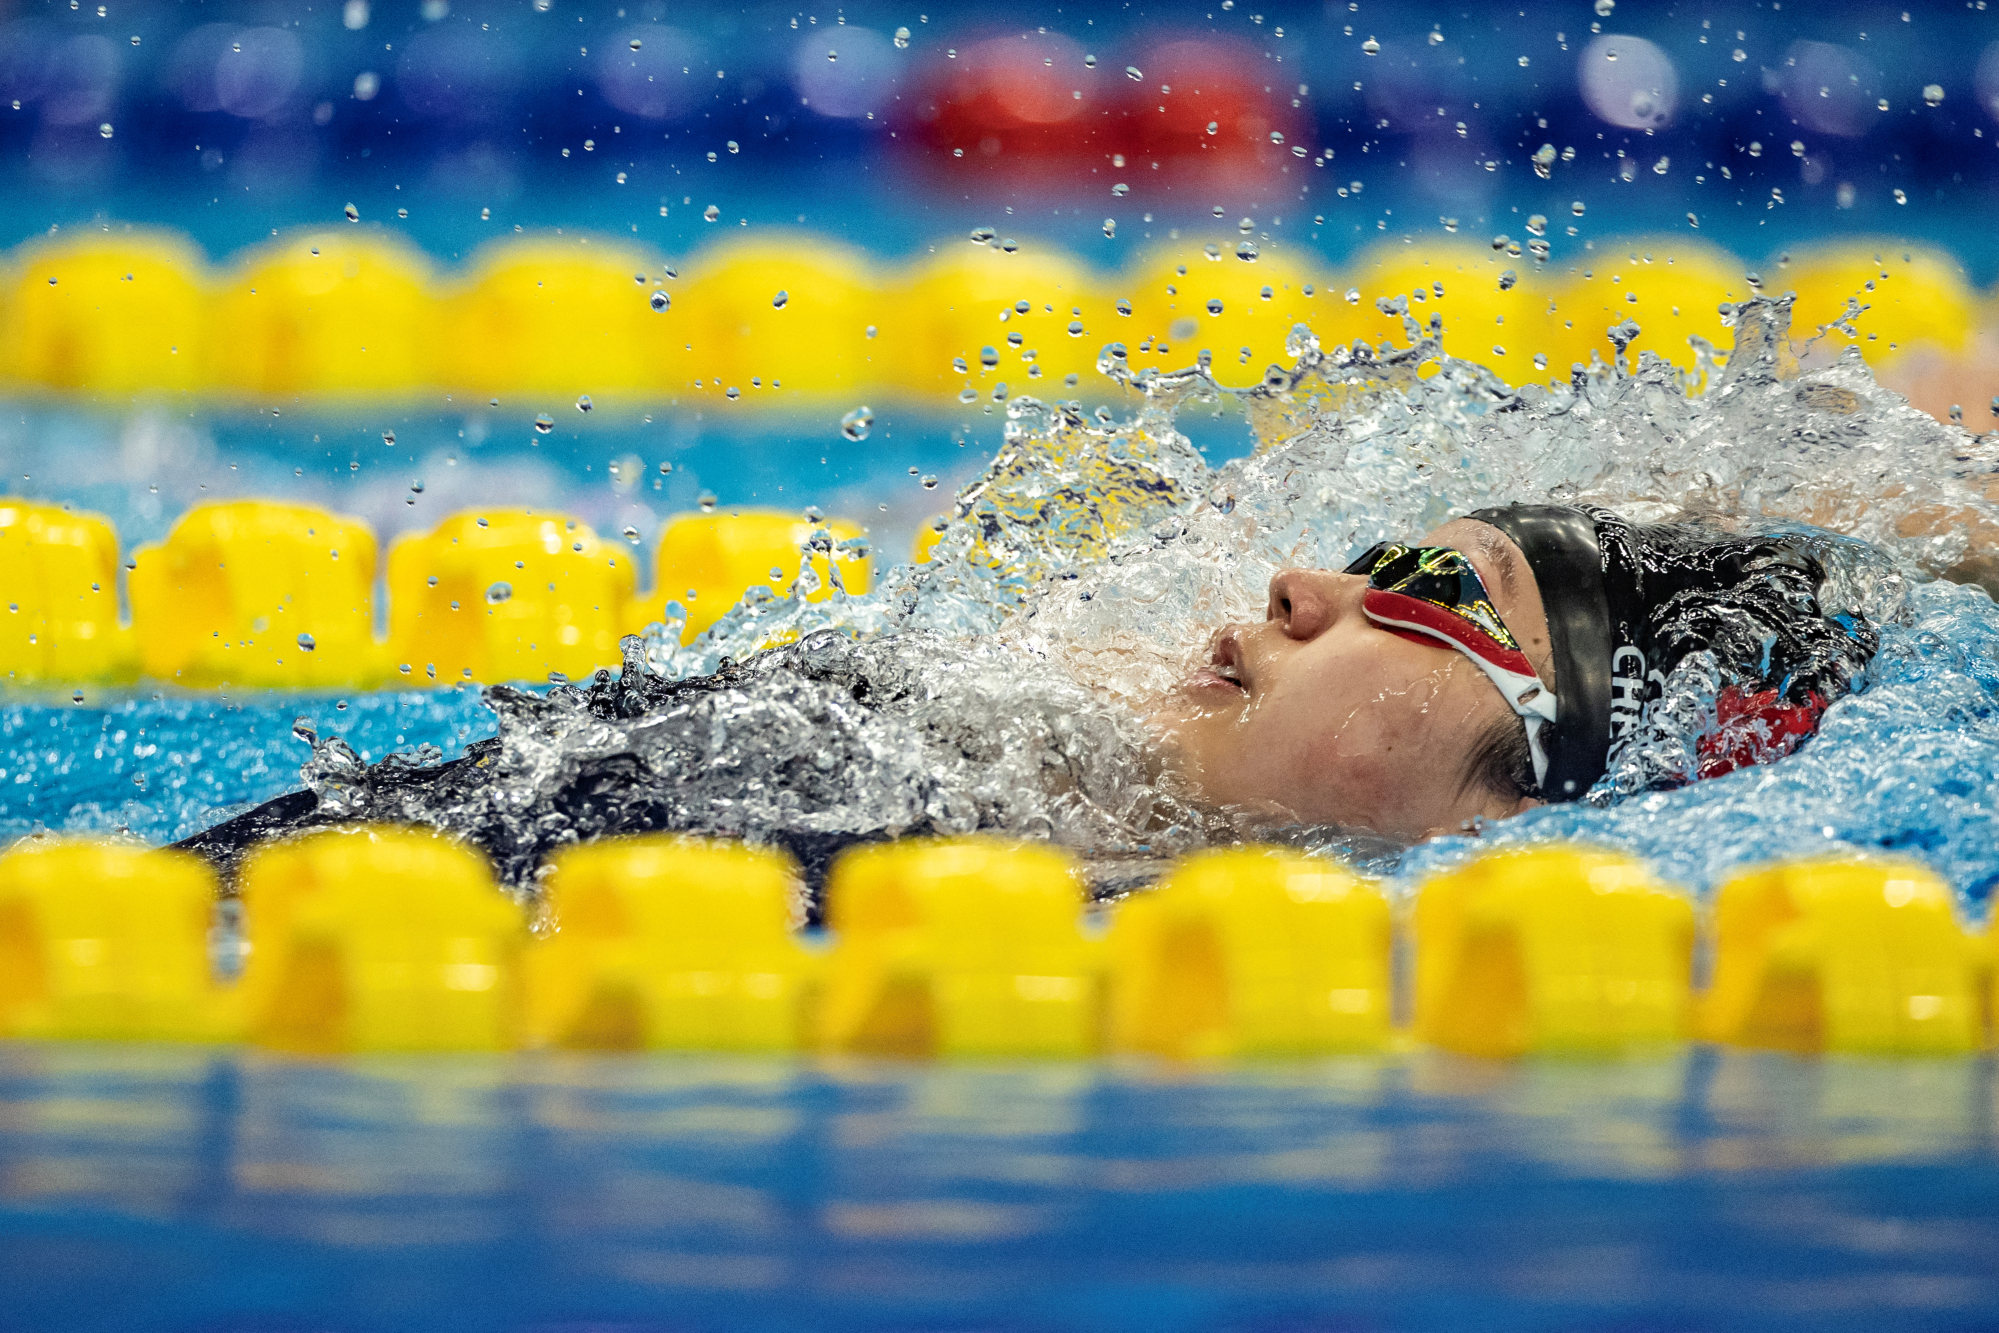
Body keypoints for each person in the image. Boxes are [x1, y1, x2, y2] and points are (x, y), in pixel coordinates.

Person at [178, 502, 1878, 889]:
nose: (1301, 586)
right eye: (1369, 548)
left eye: (1437, 593)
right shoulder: (888, 735)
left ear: (1516, 802)